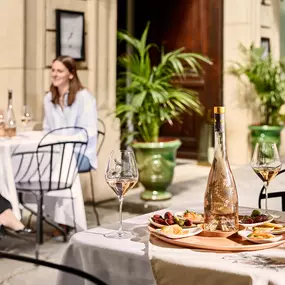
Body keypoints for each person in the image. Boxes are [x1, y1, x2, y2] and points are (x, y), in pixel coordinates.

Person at [43, 55, 97, 171]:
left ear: (71, 74)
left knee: (54, 164)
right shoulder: (48, 98)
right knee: (31, 161)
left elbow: (88, 133)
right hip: (55, 151)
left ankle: (64, 189)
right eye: (53, 70)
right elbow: (47, 130)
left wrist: (62, 141)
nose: (54, 74)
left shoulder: (84, 97)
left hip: (81, 153)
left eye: (60, 71)